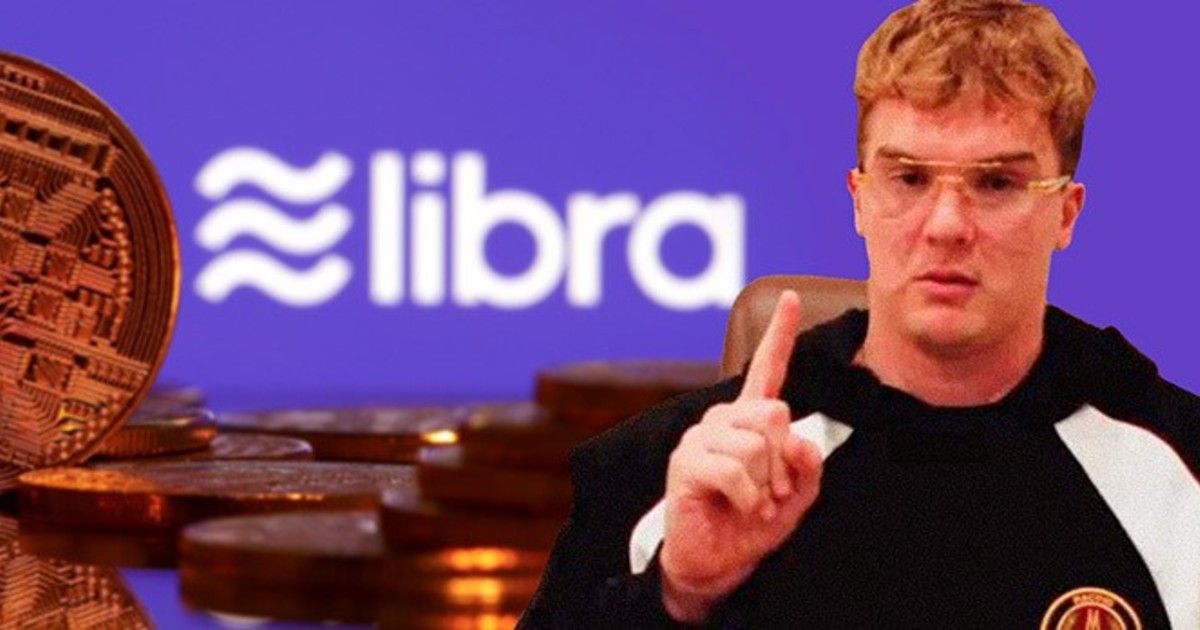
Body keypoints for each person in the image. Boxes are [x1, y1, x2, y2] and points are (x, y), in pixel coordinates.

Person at [518, 0, 1200, 627]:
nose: (946, 225)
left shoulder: (1179, 468)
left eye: (997, 182)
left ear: (1066, 213)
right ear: (859, 199)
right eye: (909, 178)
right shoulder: (665, 476)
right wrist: (679, 594)